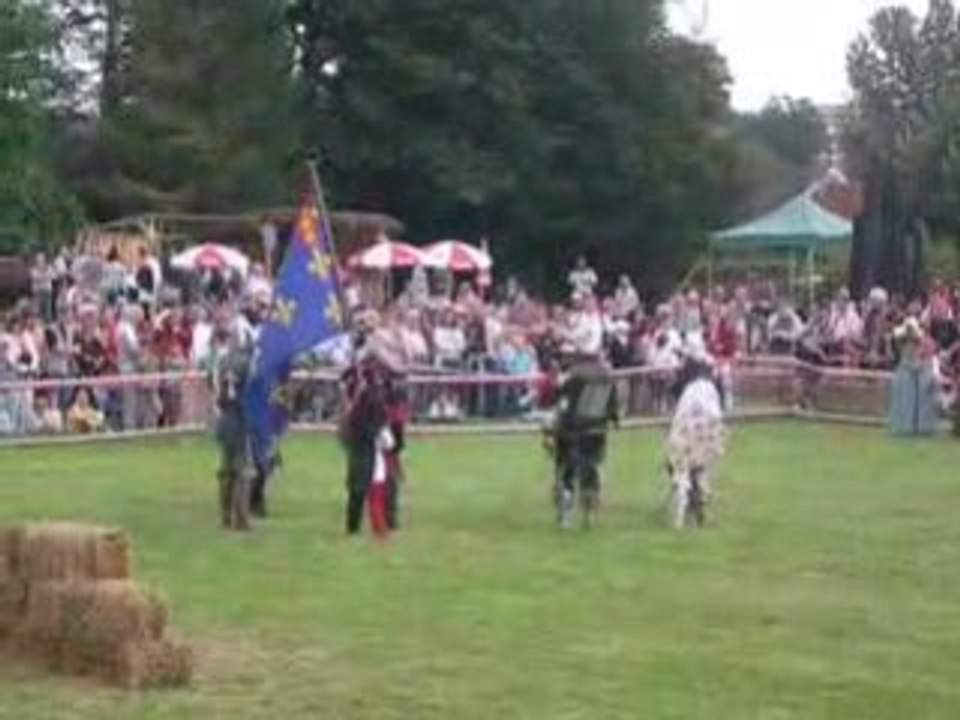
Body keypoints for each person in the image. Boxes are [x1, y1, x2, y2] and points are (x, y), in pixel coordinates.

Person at [544, 354, 619, 530]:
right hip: (597, 430)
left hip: (574, 431)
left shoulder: (573, 375)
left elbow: (562, 403)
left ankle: (565, 513)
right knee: (591, 468)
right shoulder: (606, 374)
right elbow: (613, 408)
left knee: (567, 470)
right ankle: (588, 511)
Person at [666, 354, 726, 529]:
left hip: (689, 429)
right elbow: (717, 412)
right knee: (699, 468)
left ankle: (684, 510)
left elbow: (680, 414)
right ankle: (697, 503)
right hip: (710, 430)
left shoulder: (690, 389)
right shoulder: (709, 387)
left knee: (682, 467)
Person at [210, 326, 256, 531]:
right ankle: (241, 519)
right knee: (242, 471)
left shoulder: (221, 362)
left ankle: (225, 517)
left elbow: (215, 389)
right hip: (240, 418)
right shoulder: (248, 363)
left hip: (225, 418)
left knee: (225, 469)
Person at [888, 318, 940, 437]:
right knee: (907, 402)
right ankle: (906, 427)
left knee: (916, 403)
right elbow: (910, 361)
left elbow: (923, 358)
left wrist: (921, 365)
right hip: (907, 376)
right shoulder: (906, 345)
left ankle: (917, 427)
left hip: (915, 375)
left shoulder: (919, 344)